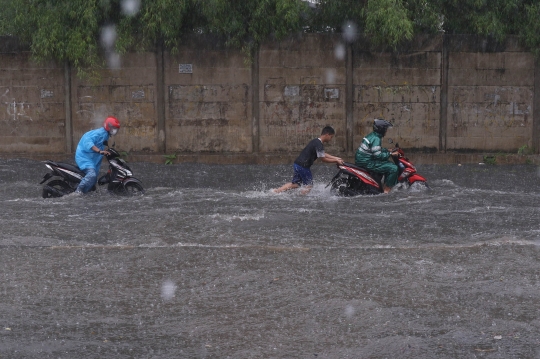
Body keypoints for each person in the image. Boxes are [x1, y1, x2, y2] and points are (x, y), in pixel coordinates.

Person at [273, 126, 344, 195]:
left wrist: (336, 158)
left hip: (297, 164)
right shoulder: (319, 144)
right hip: (303, 166)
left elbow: (323, 154)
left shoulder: (316, 141)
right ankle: (301, 198)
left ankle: (277, 191)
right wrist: (336, 161)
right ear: (327, 134)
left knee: (295, 184)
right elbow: (323, 159)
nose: (330, 139)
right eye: (331, 137)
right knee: (309, 186)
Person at [73, 116, 120, 194]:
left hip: (90, 158)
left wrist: (105, 151)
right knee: (92, 175)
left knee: (93, 181)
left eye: (116, 129)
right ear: (108, 126)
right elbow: (88, 141)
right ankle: (78, 191)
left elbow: (100, 145)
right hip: (84, 157)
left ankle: (85, 192)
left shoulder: (106, 135)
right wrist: (99, 151)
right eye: (113, 128)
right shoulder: (100, 133)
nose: (115, 130)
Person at [355, 118, 399, 194]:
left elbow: (375, 150)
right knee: (393, 168)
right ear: (381, 129)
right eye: (385, 129)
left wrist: (387, 150)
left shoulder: (373, 135)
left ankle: (381, 184)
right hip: (367, 162)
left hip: (363, 160)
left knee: (387, 163)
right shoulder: (376, 138)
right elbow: (378, 156)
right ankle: (386, 191)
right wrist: (391, 154)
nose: (386, 131)